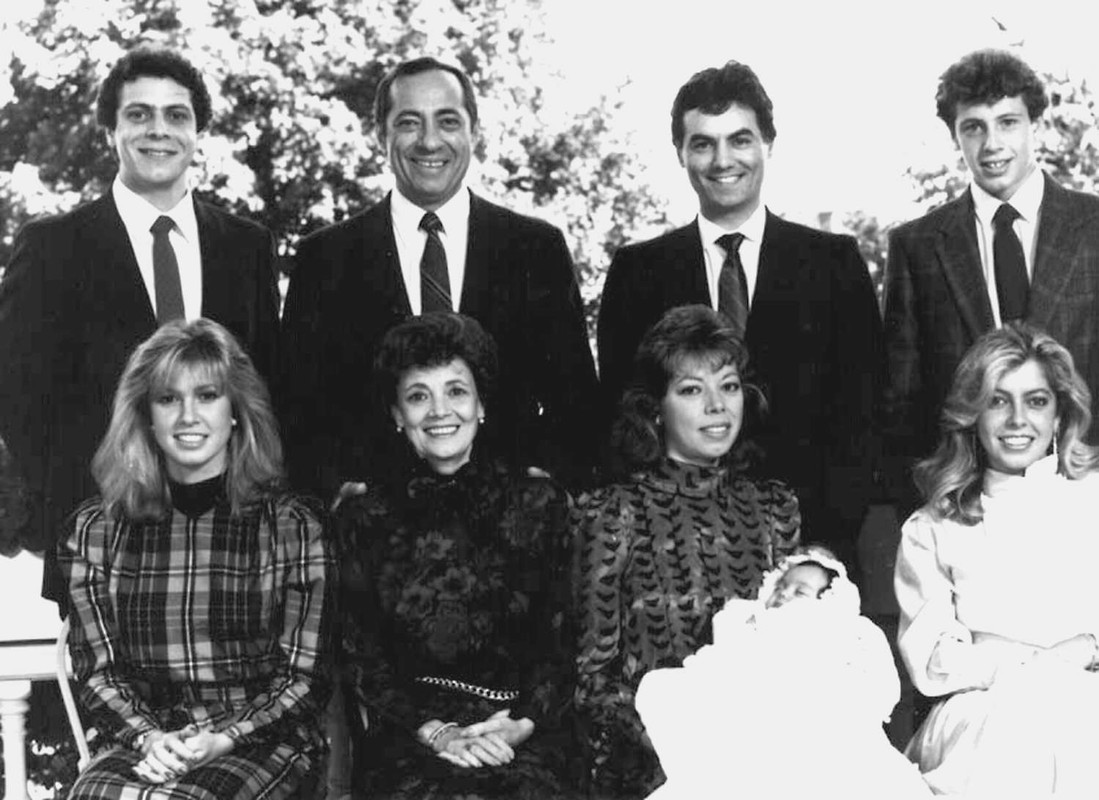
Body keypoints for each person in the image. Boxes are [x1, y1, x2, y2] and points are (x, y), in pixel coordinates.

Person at [0, 46, 280, 608]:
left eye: (176, 115)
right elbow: (16, 399)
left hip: (232, 551)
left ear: (198, 131)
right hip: (100, 548)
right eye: (138, 114)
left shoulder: (246, 246)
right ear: (111, 130)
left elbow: (264, 393)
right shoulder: (53, 247)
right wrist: (77, 506)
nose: (159, 130)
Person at [597, 60, 882, 573]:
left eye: (740, 139)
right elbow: (623, 422)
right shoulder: (637, 271)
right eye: (703, 143)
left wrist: (820, 553)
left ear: (769, 144)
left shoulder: (832, 263)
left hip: (810, 553)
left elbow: (859, 423)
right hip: (672, 558)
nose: (722, 159)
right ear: (680, 153)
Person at [280, 56, 599, 499]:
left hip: (509, 526)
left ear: (474, 131)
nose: (429, 141)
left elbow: (577, 399)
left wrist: (544, 484)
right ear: (381, 135)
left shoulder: (535, 248)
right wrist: (335, 492)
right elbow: (298, 408)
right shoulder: (325, 257)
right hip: (372, 533)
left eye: (448, 121)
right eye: (409, 123)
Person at [57, 318, 330, 800]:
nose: (188, 416)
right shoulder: (95, 531)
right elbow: (99, 672)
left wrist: (224, 737)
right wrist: (151, 739)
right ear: (145, 416)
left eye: (207, 396)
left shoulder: (293, 527)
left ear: (237, 412)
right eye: (168, 399)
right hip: (144, 742)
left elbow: (303, 680)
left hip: (260, 741)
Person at [336, 313, 576, 799]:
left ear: (481, 404)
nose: (440, 410)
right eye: (419, 396)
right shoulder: (365, 515)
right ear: (397, 415)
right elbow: (361, 654)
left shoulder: (540, 501)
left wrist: (521, 724)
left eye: (456, 391)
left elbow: (564, 640)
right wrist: (434, 730)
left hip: (521, 730)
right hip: (411, 735)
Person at [573, 305, 801, 798]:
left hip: (764, 736)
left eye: (730, 385)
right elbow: (595, 677)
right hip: (658, 748)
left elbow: (795, 647)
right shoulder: (613, 511)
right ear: (655, 407)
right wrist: (678, 741)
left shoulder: (773, 506)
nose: (718, 406)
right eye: (692, 390)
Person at [883, 49, 1099, 506]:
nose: (992, 144)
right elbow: (903, 400)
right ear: (954, 136)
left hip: (1086, 492)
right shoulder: (917, 246)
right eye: (973, 127)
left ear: (1034, 125)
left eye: (1008, 122)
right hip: (966, 504)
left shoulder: (1093, 226)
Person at [895, 322, 1099, 795]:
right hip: (983, 709)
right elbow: (933, 660)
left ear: (1060, 414)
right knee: (1023, 728)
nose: (1017, 420)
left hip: (1089, 687)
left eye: (1036, 401)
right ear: (972, 414)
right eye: (997, 400)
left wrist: (1088, 649)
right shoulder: (933, 526)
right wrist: (1035, 667)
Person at [636, 546, 931, 800]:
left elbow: (876, 691)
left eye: (800, 591)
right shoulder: (746, 623)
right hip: (750, 727)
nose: (784, 595)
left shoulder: (844, 632)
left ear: (828, 602)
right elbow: (718, 666)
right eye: (781, 586)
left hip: (820, 734)